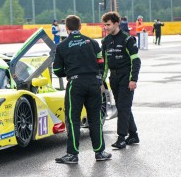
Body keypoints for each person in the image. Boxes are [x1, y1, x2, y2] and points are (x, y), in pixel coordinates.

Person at [53, 15, 112, 164]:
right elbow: (102, 63)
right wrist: (99, 79)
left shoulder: (62, 46)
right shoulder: (92, 43)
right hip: (93, 83)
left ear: (66, 28)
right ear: (80, 27)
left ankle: (72, 154)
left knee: (73, 120)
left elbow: (57, 70)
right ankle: (100, 152)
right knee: (95, 119)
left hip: (76, 84)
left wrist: (70, 72)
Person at [101, 11, 141, 150]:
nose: (106, 27)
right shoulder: (105, 41)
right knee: (123, 107)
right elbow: (105, 63)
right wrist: (102, 81)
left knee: (123, 108)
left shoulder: (127, 39)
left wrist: (133, 79)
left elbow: (136, 61)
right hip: (114, 78)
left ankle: (121, 138)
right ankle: (134, 135)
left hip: (126, 77)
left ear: (116, 23)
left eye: (108, 24)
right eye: (105, 25)